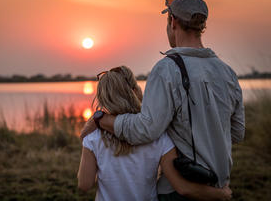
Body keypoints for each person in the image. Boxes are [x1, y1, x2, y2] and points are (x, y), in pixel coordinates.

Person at [81, 0, 245, 199]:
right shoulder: (227, 72)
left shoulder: (167, 69)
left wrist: (101, 119)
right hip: (219, 186)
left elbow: (146, 130)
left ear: (173, 21)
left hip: (180, 190)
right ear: (202, 26)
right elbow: (237, 133)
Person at [78, 66, 232, 201]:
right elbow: (181, 187)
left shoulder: (93, 138)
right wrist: (221, 194)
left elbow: (84, 185)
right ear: (135, 91)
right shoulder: (158, 136)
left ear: (103, 98)